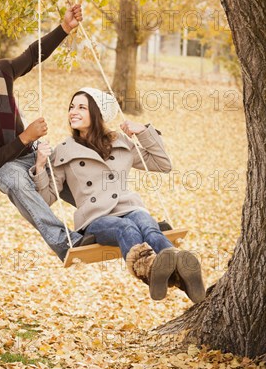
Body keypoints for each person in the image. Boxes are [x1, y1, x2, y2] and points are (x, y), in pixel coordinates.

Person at [0, 5, 95, 262]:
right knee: (14, 179)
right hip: (5, 168)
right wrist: (26, 137)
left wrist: (65, 28)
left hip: (33, 153)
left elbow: (32, 55)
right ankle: (67, 243)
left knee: (75, 164)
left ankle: (121, 219)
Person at [31, 88, 206, 303]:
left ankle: (181, 270)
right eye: (72, 107)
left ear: (97, 114)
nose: (73, 112)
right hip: (96, 218)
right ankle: (151, 269)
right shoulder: (63, 151)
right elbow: (46, 199)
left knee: (148, 225)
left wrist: (142, 131)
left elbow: (163, 164)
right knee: (126, 228)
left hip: (129, 207)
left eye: (81, 107)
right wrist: (40, 166)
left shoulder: (121, 142)